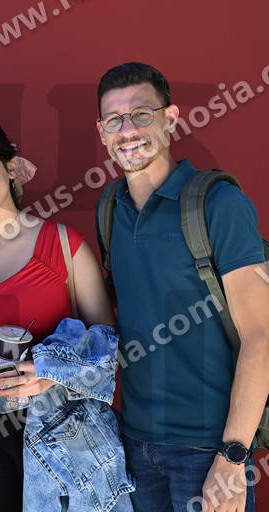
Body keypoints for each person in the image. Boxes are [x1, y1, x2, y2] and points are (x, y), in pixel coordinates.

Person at [94, 62, 269, 512]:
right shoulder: (110, 208)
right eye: (114, 120)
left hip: (209, 448)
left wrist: (233, 456)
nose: (127, 131)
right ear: (102, 132)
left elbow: (261, 336)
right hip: (134, 445)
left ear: (170, 118)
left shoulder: (219, 203)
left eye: (142, 114)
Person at [0, 118, 114, 511]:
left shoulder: (63, 244)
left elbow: (108, 345)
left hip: (57, 412)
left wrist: (51, 374)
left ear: (11, 166)